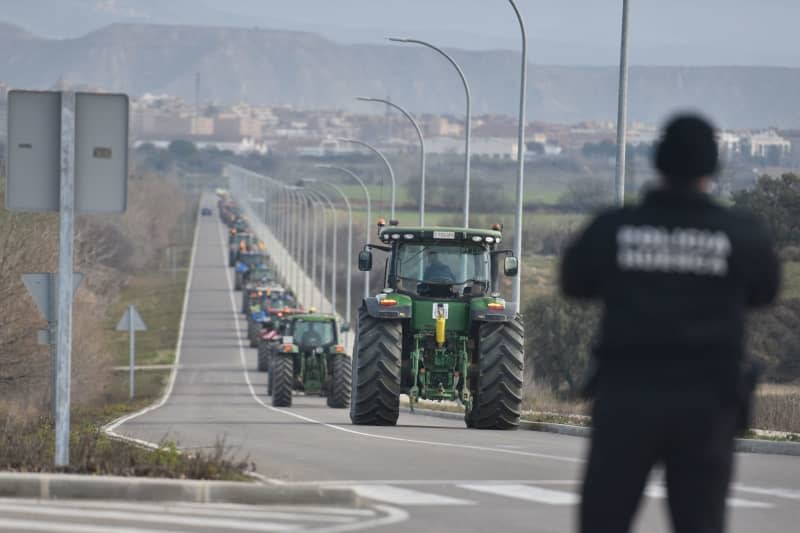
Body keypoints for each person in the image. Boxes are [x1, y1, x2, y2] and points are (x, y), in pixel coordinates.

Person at [561, 114, 780, 533]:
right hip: (708, 405)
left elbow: (575, 283)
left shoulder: (616, 228)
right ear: (712, 168)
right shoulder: (740, 234)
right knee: (701, 522)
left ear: (658, 161)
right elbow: (765, 291)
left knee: (604, 519)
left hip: (627, 399)